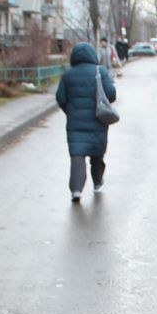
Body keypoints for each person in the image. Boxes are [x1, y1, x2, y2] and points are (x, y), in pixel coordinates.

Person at [54, 42, 116, 203]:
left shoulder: (68, 75)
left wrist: (70, 111)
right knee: (97, 155)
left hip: (75, 124)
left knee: (77, 155)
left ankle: (76, 190)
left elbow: (60, 97)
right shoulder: (99, 72)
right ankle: (97, 183)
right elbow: (111, 94)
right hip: (98, 121)